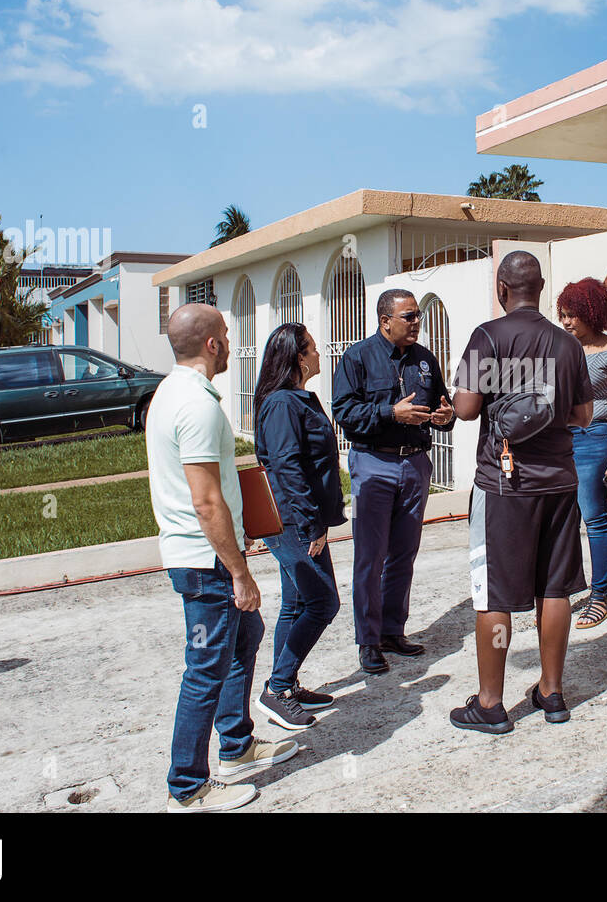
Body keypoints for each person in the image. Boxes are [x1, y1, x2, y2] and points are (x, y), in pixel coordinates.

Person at [148, 303, 297, 813]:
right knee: (205, 668)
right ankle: (187, 788)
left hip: (198, 552)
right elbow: (205, 499)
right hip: (203, 560)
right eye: (227, 335)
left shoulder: (173, 393)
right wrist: (239, 571)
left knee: (247, 637)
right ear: (212, 344)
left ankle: (236, 746)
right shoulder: (196, 404)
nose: (231, 343)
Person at [449, 250, 594, 733]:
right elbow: (582, 417)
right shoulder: (568, 344)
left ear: (501, 289)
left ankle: (490, 704)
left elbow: (467, 409)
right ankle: (552, 694)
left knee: (493, 594)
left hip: (504, 485)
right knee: (556, 588)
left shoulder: (488, 337)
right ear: (542, 287)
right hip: (560, 482)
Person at [331, 288, 454, 675]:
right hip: (374, 464)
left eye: (417, 315)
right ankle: (368, 642)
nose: (417, 322)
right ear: (386, 321)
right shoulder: (357, 358)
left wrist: (445, 416)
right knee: (370, 557)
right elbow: (344, 412)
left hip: (415, 465)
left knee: (404, 553)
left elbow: (443, 406)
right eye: (409, 316)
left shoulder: (425, 359)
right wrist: (390, 413)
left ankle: (391, 630)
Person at [252, 323, 345, 732]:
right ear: (299, 357)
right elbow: (287, 467)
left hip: (300, 517)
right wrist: (311, 525)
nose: (320, 352)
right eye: (313, 347)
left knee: (295, 603)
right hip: (292, 521)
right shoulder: (282, 404)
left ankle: (285, 685)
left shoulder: (296, 399)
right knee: (323, 603)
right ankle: (277, 688)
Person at [557, 278, 607, 629]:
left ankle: (600, 597)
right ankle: (565, 590)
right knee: (561, 520)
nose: (567, 322)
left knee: (595, 517)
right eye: (563, 315)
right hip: (560, 440)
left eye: (573, 315)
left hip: (595, 438)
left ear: (592, 312)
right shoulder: (562, 347)